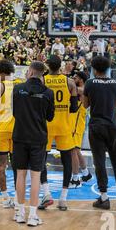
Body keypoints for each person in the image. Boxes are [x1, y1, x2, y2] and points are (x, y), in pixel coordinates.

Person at [83, 56, 116, 210]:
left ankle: (104, 197)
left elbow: (84, 105)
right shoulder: (115, 83)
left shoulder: (89, 83)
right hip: (112, 126)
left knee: (99, 162)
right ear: (108, 68)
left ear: (94, 69)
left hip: (96, 126)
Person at [12, 61, 55, 226]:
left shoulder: (17, 89)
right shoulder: (48, 92)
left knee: (20, 174)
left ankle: (20, 213)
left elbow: (16, 113)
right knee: (35, 176)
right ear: (42, 75)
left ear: (29, 72)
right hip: (38, 138)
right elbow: (50, 117)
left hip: (20, 136)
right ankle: (33, 216)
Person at [39, 55, 78, 211]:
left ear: (48, 66)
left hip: (46, 126)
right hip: (64, 126)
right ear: (60, 66)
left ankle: (47, 194)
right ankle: (63, 198)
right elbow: (74, 108)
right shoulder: (69, 82)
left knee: (41, 159)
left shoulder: (42, 81)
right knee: (66, 161)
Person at [0, 59, 16, 208]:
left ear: (0, 72)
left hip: (2, 130)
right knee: (18, 166)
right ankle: (19, 198)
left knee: (1, 166)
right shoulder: (18, 84)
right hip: (17, 129)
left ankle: (6, 198)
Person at [69, 71, 92, 188]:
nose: (73, 78)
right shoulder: (77, 87)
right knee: (76, 151)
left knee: (73, 150)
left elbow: (80, 91)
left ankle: (75, 179)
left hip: (77, 122)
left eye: (76, 77)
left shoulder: (83, 89)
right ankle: (86, 173)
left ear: (81, 79)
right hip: (74, 122)